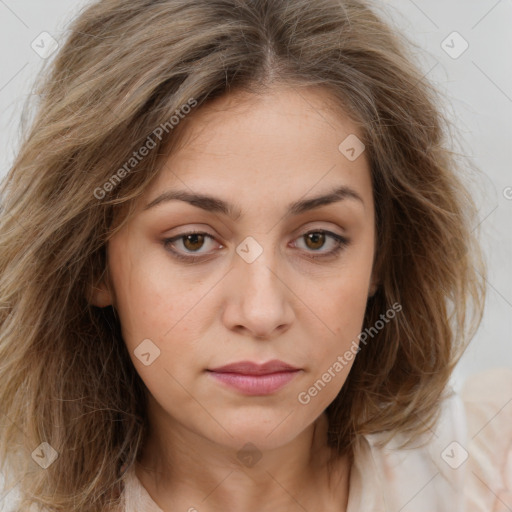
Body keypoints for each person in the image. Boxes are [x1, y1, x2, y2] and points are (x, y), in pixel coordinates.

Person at [0, 0, 511, 511]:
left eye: (317, 239)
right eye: (193, 240)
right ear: (94, 262)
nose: (262, 312)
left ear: (382, 255)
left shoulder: (489, 468)